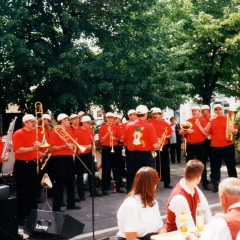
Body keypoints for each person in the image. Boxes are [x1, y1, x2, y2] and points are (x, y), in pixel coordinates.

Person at [116, 167, 165, 240]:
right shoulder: (131, 205)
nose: (155, 188)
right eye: (155, 185)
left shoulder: (153, 201)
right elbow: (131, 238)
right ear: (149, 186)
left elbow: (160, 228)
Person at [12, 114, 42, 226]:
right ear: (25, 122)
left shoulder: (35, 133)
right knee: (23, 192)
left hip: (32, 164)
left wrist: (40, 153)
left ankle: (31, 216)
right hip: (22, 165)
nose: (33, 123)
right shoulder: (18, 133)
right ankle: (21, 217)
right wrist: (33, 149)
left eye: (34, 121)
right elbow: (18, 150)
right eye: (31, 121)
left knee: (33, 191)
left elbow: (36, 148)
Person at [166, 159, 212, 232]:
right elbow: (186, 227)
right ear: (199, 178)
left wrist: (210, 230)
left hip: (193, 233)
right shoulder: (179, 198)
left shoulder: (195, 188)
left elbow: (206, 212)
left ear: (184, 172)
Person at [124, 105, 160, 193]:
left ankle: (130, 191)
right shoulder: (149, 126)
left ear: (136, 114)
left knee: (131, 174)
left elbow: (125, 141)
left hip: (131, 154)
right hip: (145, 155)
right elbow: (155, 145)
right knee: (147, 175)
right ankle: (147, 192)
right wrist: (158, 144)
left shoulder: (128, 125)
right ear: (146, 114)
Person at [48, 113, 80, 212]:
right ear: (62, 121)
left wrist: (73, 146)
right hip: (59, 159)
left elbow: (72, 143)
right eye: (67, 120)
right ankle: (56, 207)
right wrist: (64, 147)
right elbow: (51, 148)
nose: (69, 122)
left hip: (69, 158)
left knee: (71, 182)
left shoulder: (69, 131)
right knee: (60, 183)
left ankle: (71, 204)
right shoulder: (54, 132)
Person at [204, 104, 238, 193]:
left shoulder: (227, 119)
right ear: (214, 111)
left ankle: (234, 185)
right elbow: (206, 130)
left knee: (231, 165)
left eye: (219, 109)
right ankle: (216, 185)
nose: (218, 111)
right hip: (215, 146)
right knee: (215, 167)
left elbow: (235, 130)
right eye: (216, 109)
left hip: (228, 145)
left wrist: (233, 131)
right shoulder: (211, 120)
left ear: (222, 110)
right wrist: (210, 120)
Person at [179, 106, 211, 191]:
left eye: (195, 111)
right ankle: (188, 182)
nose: (194, 112)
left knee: (202, 165)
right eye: (192, 111)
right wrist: (186, 131)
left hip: (201, 145)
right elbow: (180, 132)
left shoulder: (203, 120)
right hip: (191, 146)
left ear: (199, 112)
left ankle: (204, 182)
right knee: (189, 165)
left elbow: (206, 133)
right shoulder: (188, 121)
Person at [75, 115, 102, 198]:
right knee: (80, 175)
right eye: (88, 123)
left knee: (92, 173)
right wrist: (87, 146)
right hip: (81, 154)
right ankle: (81, 194)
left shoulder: (90, 130)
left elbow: (92, 140)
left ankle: (92, 191)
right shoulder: (77, 131)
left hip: (89, 154)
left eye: (90, 123)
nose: (90, 124)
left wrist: (93, 145)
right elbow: (76, 144)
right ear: (83, 123)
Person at [99, 112, 124, 195]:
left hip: (115, 148)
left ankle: (118, 187)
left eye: (111, 118)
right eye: (108, 118)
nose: (110, 119)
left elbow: (120, 140)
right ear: (106, 119)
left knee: (116, 169)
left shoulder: (116, 127)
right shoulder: (102, 128)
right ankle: (104, 189)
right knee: (106, 169)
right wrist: (107, 134)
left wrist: (114, 138)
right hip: (106, 149)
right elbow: (101, 141)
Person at [148, 107, 173, 188]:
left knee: (165, 165)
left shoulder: (165, 123)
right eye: (153, 114)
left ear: (160, 114)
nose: (154, 116)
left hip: (163, 146)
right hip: (153, 146)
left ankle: (167, 183)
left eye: (156, 114)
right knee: (154, 166)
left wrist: (164, 137)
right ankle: (155, 182)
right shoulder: (149, 122)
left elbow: (170, 135)